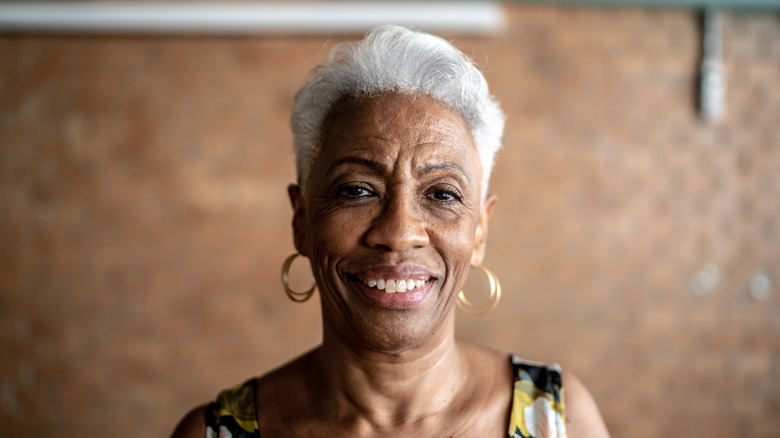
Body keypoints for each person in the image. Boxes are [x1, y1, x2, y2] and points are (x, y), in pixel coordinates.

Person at [172, 25, 610, 438]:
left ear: (479, 231)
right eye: (357, 190)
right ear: (301, 220)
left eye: (442, 194)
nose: (399, 233)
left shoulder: (559, 419)